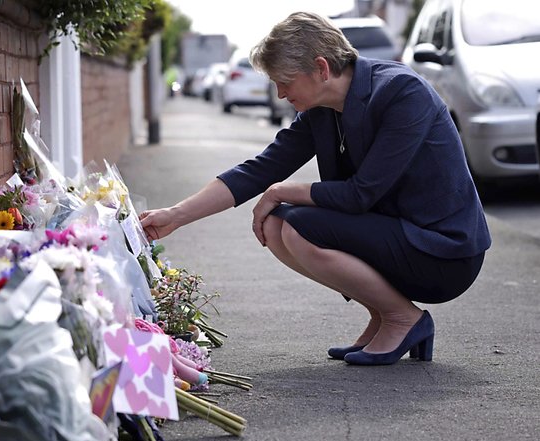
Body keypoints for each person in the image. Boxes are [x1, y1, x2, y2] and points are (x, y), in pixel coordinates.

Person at [138, 11, 491, 365]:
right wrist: (176, 215)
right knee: (277, 225)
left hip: (443, 251)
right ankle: (385, 315)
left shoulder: (401, 93)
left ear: (321, 68)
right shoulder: (322, 110)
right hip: (396, 236)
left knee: (296, 225)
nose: (279, 92)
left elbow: (360, 194)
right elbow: (259, 169)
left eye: (285, 80)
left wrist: (281, 191)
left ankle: (404, 319)